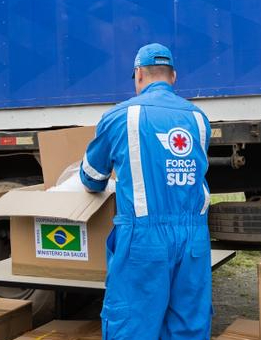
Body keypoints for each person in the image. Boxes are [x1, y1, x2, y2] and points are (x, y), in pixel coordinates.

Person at [79, 43, 213, 340]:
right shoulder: (198, 119)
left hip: (143, 239)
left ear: (138, 74)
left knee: (131, 324)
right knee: (189, 325)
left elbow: (91, 176)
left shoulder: (119, 117)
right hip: (193, 239)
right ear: (174, 76)